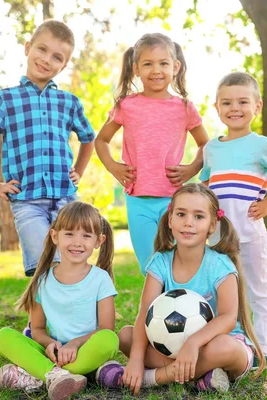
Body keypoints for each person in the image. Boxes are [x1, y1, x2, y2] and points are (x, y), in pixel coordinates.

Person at [94, 184, 266, 395]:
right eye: (181, 214)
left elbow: (229, 318)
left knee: (224, 347)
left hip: (218, 345)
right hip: (171, 349)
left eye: (198, 217)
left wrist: (193, 343)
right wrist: (137, 360)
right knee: (126, 336)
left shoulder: (221, 266)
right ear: (170, 220)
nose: (188, 223)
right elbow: (145, 312)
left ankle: (153, 378)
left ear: (212, 225)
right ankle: (203, 378)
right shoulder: (160, 263)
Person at [0, 20, 95, 279]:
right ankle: (36, 321)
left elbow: (88, 138)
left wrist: (79, 172)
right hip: (27, 201)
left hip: (65, 199)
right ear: (28, 48)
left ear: (63, 65)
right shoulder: (6, 100)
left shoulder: (69, 102)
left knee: (72, 266)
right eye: (41, 49)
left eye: (57, 57)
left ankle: (69, 318)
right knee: (43, 267)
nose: (46, 59)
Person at [199, 72, 267, 367]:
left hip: (250, 233)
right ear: (217, 107)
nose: (235, 108)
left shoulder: (261, 144)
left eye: (243, 101)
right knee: (217, 290)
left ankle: (263, 348)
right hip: (218, 236)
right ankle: (224, 341)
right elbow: (205, 186)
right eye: (227, 102)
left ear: (257, 106)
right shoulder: (212, 148)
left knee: (258, 290)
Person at [95, 33, 209, 276]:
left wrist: (192, 169)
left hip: (175, 200)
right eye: (148, 63)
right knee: (150, 264)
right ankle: (156, 309)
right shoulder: (126, 105)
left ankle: (186, 304)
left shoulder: (184, 107)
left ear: (175, 67)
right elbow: (102, 140)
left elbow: (204, 145)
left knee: (181, 259)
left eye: (163, 63)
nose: (156, 70)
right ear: (136, 68)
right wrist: (113, 166)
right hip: (139, 200)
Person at [0, 201, 120, 400]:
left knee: (109, 340)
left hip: (84, 351)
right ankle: (57, 375)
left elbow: (106, 329)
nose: (77, 242)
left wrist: (75, 344)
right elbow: (37, 330)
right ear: (55, 236)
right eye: (69, 234)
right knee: (3, 336)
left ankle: (39, 374)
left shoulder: (100, 279)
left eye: (86, 235)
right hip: (50, 352)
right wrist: (50, 344)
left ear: (98, 241)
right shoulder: (43, 280)